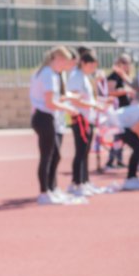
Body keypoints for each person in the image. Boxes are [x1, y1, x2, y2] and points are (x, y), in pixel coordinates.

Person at [30, 45, 81, 205]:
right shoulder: (48, 74)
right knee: (47, 156)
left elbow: (54, 98)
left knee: (55, 155)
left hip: (46, 117)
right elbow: (50, 102)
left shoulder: (50, 73)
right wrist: (69, 108)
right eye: (64, 62)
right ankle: (45, 192)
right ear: (57, 59)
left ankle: (52, 188)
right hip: (44, 117)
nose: (66, 66)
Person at [66, 47, 108, 198]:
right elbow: (75, 99)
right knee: (80, 151)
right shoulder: (76, 76)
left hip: (87, 117)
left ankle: (84, 180)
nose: (92, 69)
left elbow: (87, 98)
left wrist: (96, 103)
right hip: (80, 118)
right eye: (90, 66)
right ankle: (77, 182)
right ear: (83, 63)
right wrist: (93, 105)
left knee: (85, 152)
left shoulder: (84, 76)